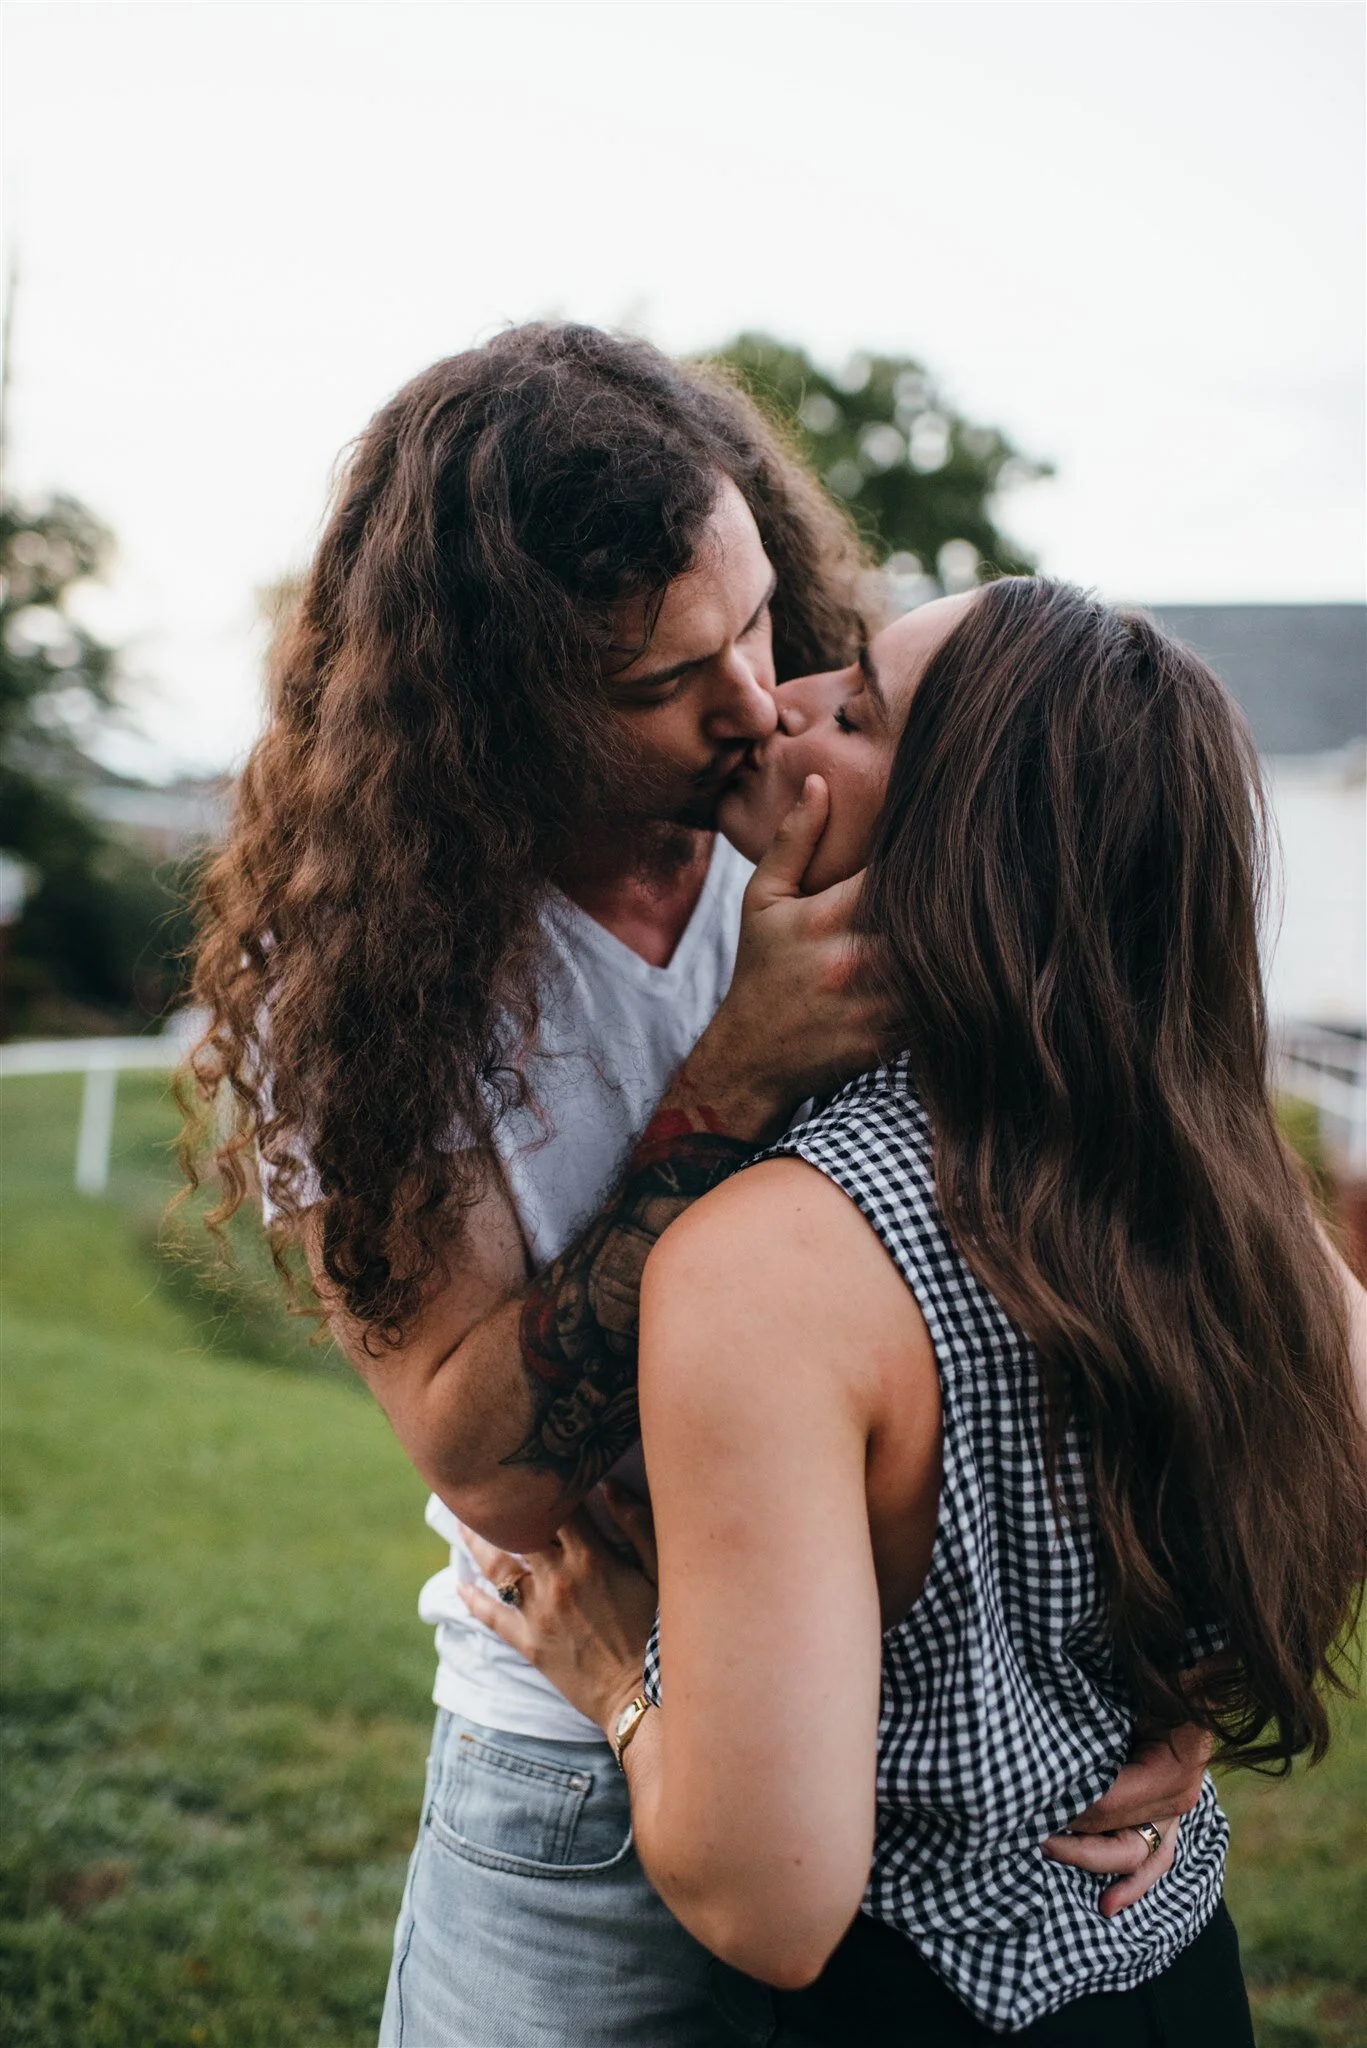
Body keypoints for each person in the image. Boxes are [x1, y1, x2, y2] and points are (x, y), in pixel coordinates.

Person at [186, 332, 1209, 2047]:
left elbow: (1175, 1230)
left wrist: (1179, 1678)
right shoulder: (366, 977)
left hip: (944, 1738)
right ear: (498, 704)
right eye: (664, 680)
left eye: (755, 621)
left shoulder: (866, 812)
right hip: (576, 1777)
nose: (750, 698)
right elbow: (490, 1470)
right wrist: (730, 1080)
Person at [463, 577, 1367, 2044]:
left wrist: (619, 1674)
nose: (783, 702)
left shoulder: (766, 1265)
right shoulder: (1214, 1176)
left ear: (961, 844)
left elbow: (771, 1906)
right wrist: (1193, 1670)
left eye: (860, 710)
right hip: (1173, 1975)